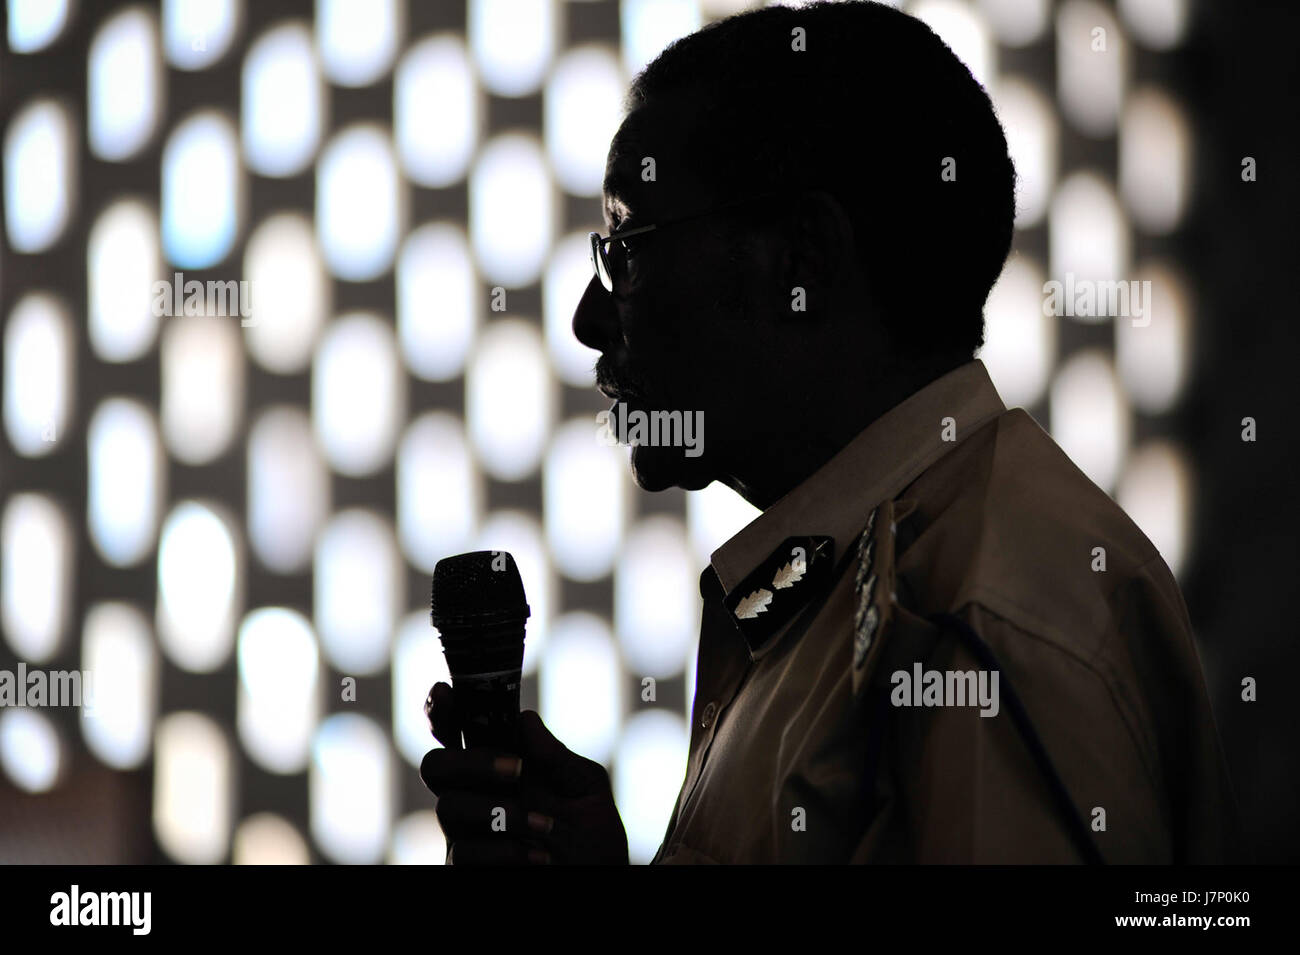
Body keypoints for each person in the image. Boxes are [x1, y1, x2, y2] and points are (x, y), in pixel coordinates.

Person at [420, 0, 1244, 864]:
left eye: (627, 250)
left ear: (802, 259)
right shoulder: (871, 582)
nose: (590, 318)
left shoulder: (977, 619)